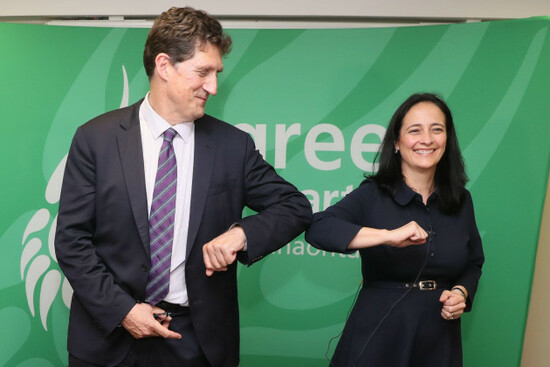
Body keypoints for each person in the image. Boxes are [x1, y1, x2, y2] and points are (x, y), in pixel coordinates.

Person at [55, 7, 312, 367]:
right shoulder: (95, 139)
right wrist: (125, 310)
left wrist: (241, 234)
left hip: (196, 342)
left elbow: (295, 207)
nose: (214, 86)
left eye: (216, 73)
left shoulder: (231, 146)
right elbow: (71, 241)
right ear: (164, 66)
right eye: (203, 71)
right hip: (108, 338)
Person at [305, 93, 484, 367]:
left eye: (437, 129)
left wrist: (461, 293)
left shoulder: (461, 200)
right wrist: (387, 236)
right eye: (415, 131)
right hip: (379, 334)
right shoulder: (373, 194)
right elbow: (318, 228)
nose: (427, 139)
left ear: (447, 141)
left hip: (439, 339)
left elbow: (473, 263)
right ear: (397, 142)